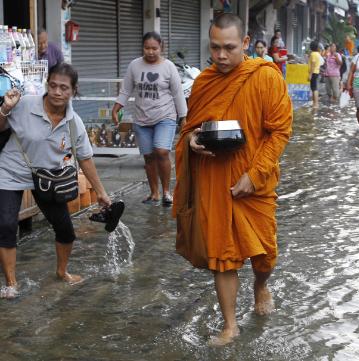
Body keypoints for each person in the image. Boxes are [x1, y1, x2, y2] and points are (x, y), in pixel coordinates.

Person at [172, 13, 292, 346]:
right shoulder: (204, 82)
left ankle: (261, 285)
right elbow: (189, 130)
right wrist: (193, 141)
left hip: (255, 179)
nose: (221, 56)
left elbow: (280, 131)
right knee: (222, 255)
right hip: (214, 178)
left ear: (245, 44)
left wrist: (254, 176)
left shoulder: (266, 78)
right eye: (214, 48)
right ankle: (230, 325)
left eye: (228, 48)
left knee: (265, 254)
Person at [0, 63, 111, 299]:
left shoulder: (75, 122)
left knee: (65, 230)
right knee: (6, 225)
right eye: (53, 86)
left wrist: (101, 191)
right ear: (46, 85)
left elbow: (85, 158)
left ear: (73, 90)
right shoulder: (25, 104)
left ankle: (62, 272)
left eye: (64, 88)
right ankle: (11, 283)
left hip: (48, 179)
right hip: (10, 171)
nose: (57, 92)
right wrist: (5, 110)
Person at [112, 32, 187, 206]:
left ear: (161, 47)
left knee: (161, 151)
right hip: (142, 118)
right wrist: (116, 108)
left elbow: (177, 94)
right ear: (142, 48)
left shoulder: (169, 67)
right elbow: (126, 90)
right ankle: (154, 193)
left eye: (154, 48)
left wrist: (183, 117)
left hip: (165, 116)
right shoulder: (134, 66)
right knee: (148, 157)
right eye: (147, 48)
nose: (151, 52)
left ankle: (167, 192)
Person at [308, 40, 322, 109]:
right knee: (314, 88)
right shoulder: (317, 54)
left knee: (314, 88)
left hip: (313, 72)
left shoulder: (313, 54)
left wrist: (310, 74)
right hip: (316, 72)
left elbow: (313, 64)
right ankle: (314, 103)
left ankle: (315, 104)